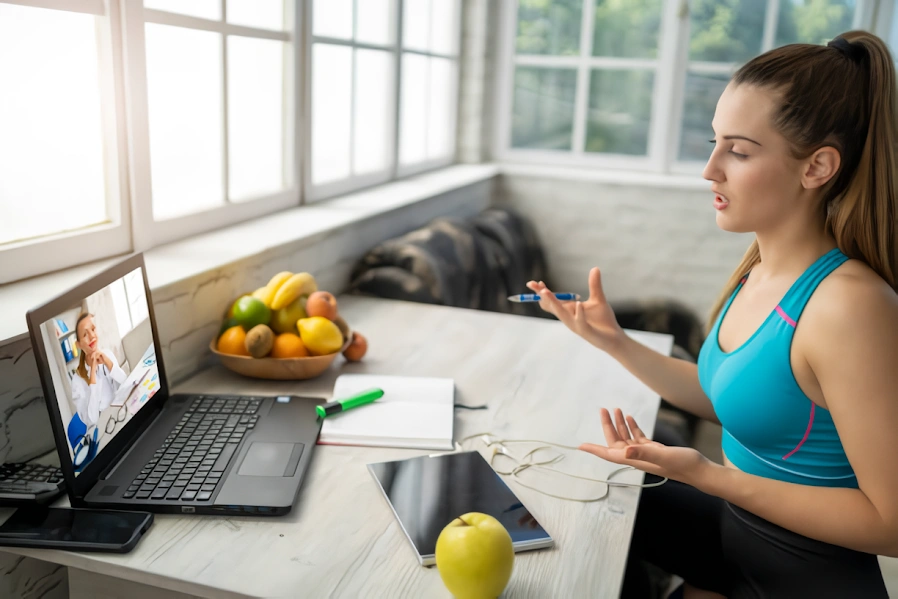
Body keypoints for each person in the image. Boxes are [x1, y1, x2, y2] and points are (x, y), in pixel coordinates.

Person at [529, 30, 896, 598]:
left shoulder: (849, 305)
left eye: (740, 151)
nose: (710, 169)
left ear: (818, 166)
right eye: (713, 141)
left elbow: (891, 523)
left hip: (802, 575)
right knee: (562, 494)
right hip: (735, 537)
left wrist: (707, 475)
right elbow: (728, 396)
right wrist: (614, 341)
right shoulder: (758, 269)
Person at [71, 312, 126, 427]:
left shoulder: (107, 355)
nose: (92, 336)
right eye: (85, 334)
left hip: (120, 414)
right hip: (103, 427)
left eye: (93, 329)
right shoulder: (77, 381)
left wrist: (109, 363)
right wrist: (93, 376)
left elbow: (125, 386)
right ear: (78, 345)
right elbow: (92, 419)